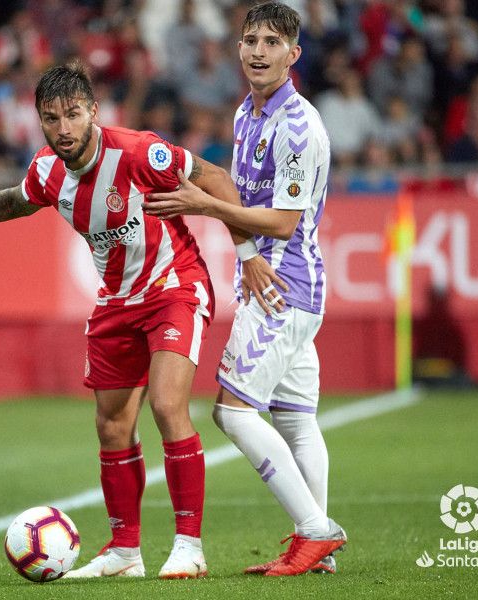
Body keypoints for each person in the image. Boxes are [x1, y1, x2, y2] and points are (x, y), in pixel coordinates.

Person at [0, 61, 278, 579]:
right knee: (112, 426)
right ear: (40, 121)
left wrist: (247, 257)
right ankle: (124, 552)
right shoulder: (46, 170)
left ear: (92, 110)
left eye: (71, 115)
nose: (62, 128)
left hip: (173, 286)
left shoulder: (139, 152)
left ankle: (188, 546)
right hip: (116, 300)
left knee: (166, 403)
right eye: (51, 118)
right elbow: (14, 203)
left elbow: (218, 180)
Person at [144, 2, 346, 576]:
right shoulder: (245, 113)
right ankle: (319, 552)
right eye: (250, 40)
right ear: (238, 48)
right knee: (297, 420)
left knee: (232, 412)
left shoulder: (300, 127)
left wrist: (200, 203)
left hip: (286, 288)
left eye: (271, 42)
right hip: (271, 276)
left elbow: (282, 220)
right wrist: (246, 253)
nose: (258, 51)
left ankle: (314, 531)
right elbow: (239, 194)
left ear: (293, 54)